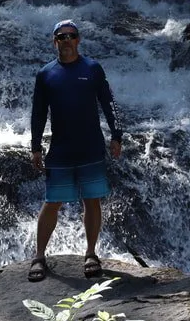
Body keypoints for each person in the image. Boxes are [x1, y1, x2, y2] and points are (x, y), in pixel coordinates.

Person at [28, 19, 123, 282]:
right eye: (62, 37)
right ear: (54, 41)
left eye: (71, 36)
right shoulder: (46, 74)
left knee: (91, 200)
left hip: (90, 145)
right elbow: (38, 113)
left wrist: (117, 136)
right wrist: (36, 146)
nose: (67, 40)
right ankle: (39, 256)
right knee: (52, 202)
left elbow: (109, 103)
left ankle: (91, 253)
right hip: (61, 148)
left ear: (78, 40)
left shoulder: (92, 68)